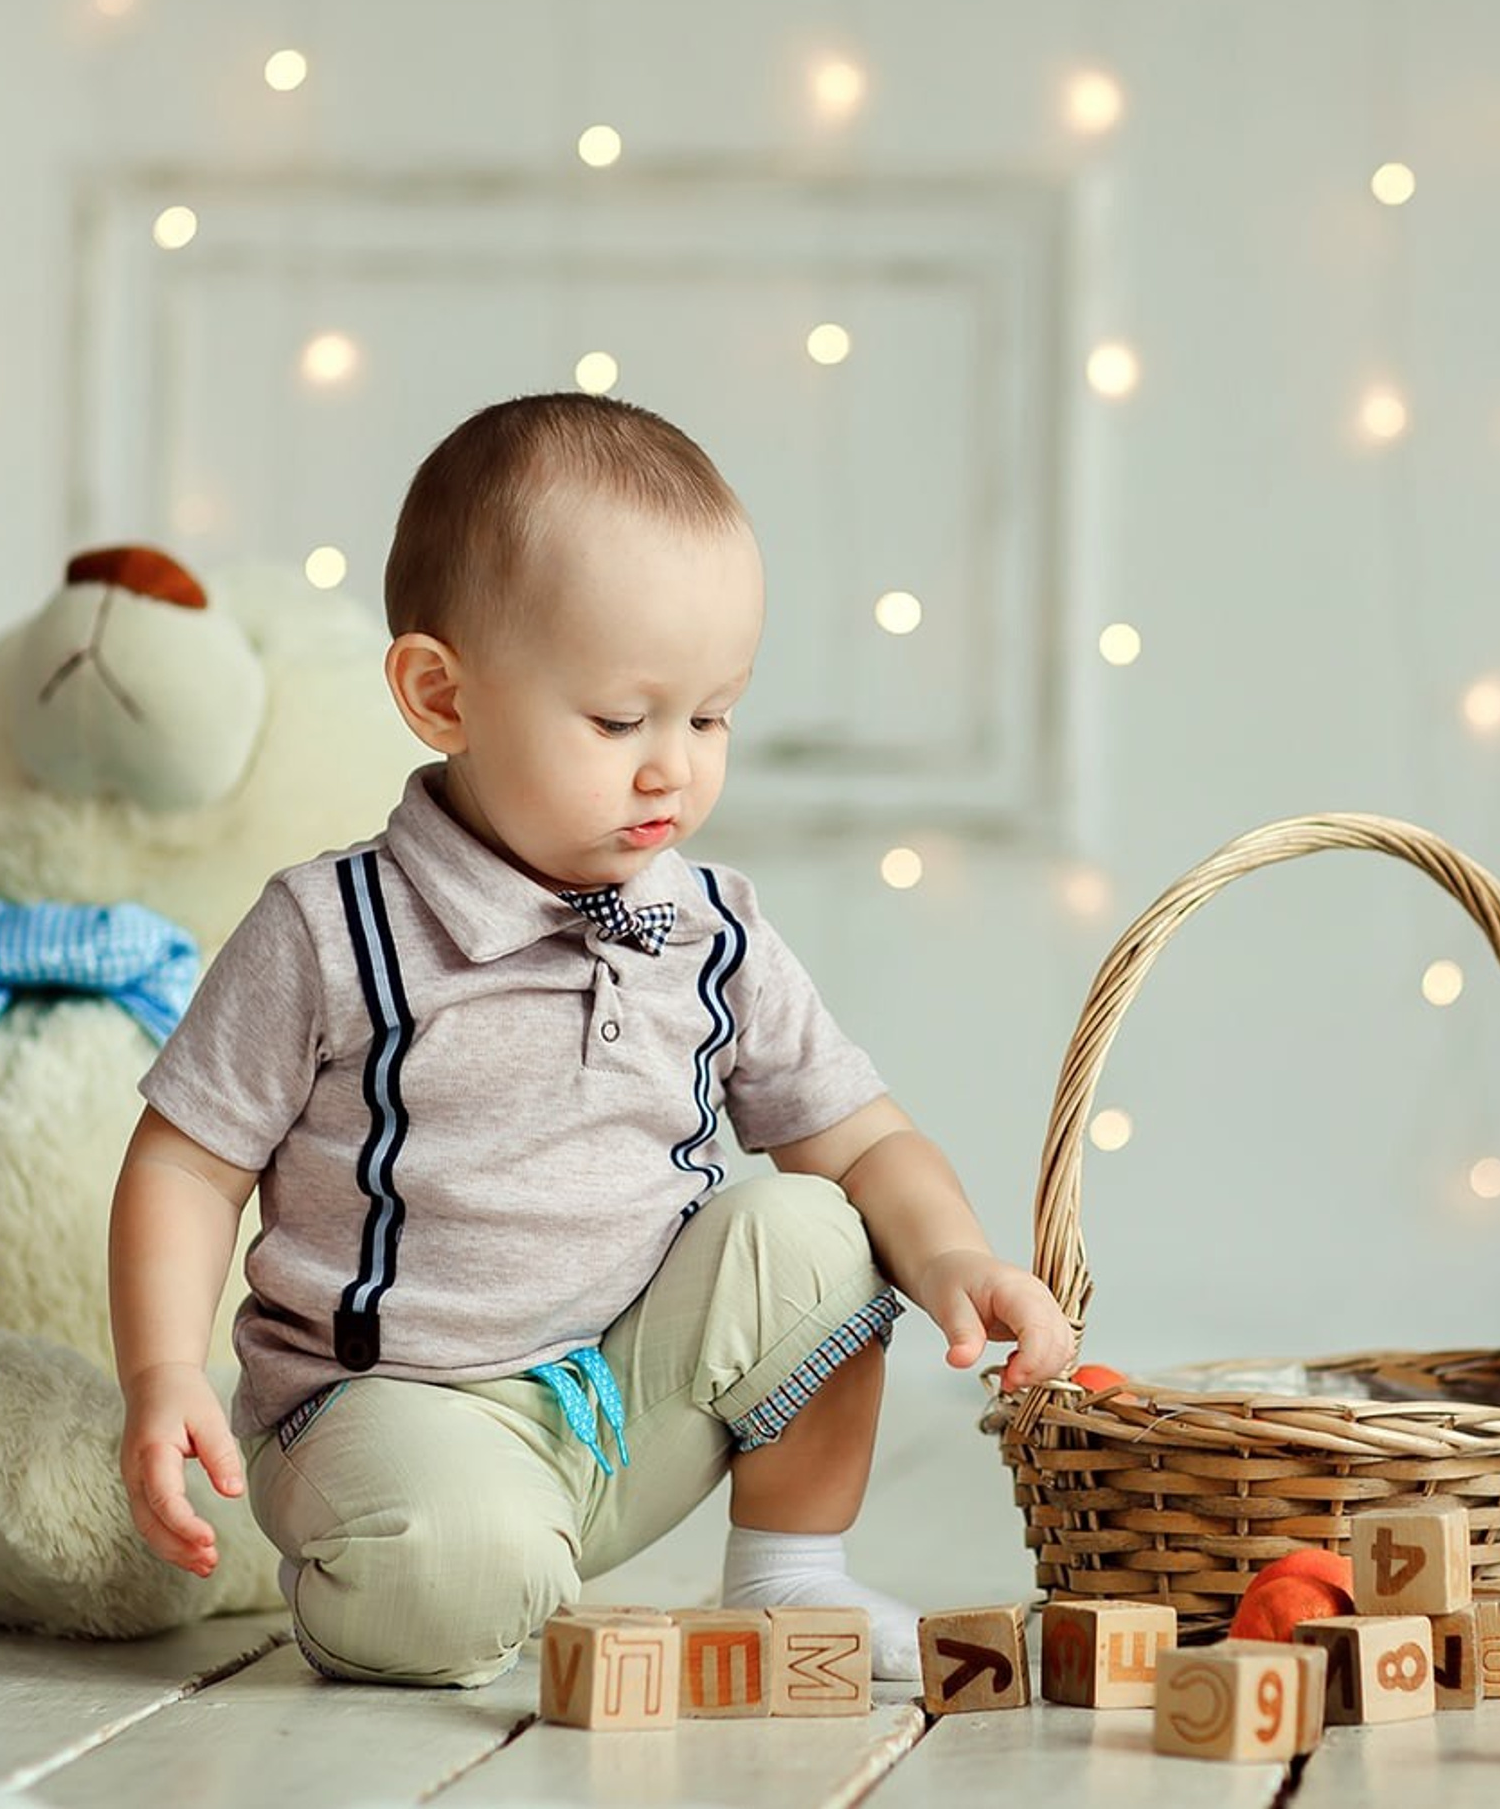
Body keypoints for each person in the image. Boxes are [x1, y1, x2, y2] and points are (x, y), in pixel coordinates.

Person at [108, 391, 1075, 1690]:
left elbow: (863, 1135)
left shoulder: (710, 926)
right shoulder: (335, 927)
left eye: (710, 717)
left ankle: (790, 1573)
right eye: (621, 721)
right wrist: (161, 1368)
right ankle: (436, 1568)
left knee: (829, 1225)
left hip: (628, 1408)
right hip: (393, 1413)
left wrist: (956, 1254)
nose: (672, 767)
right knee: (459, 1578)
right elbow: (187, 1162)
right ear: (442, 695)